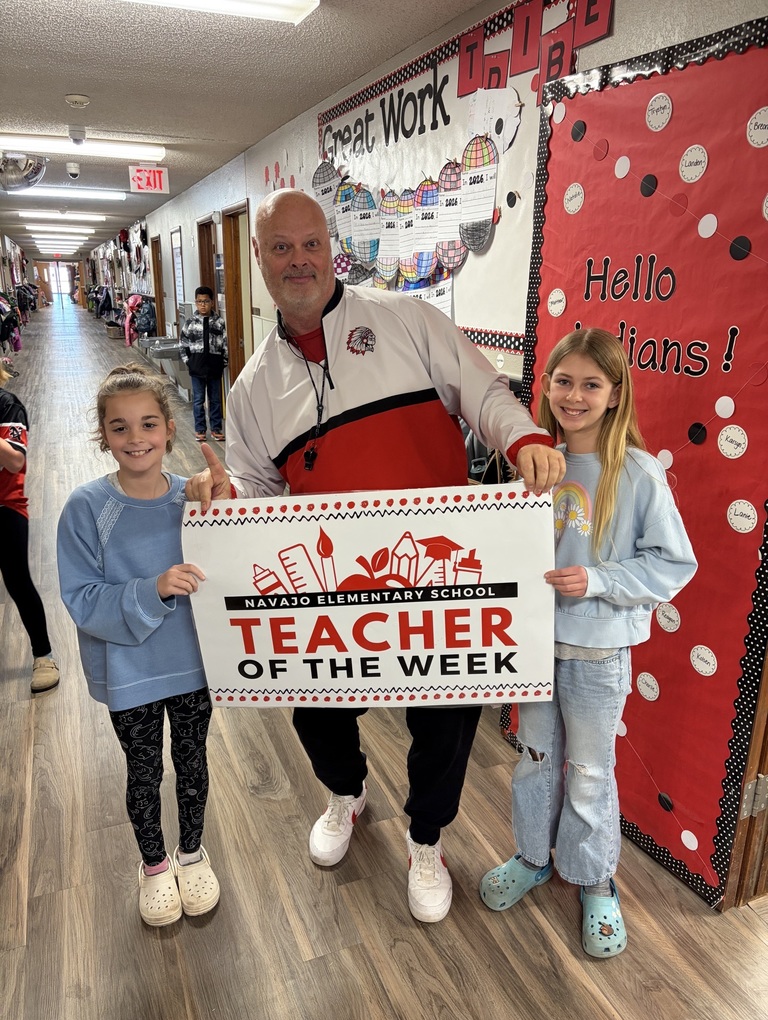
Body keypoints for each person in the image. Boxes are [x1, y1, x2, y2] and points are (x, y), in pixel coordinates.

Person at [186, 188, 565, 924]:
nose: (299, 259)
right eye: (281, 247)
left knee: (448, 714)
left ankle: (427, 837)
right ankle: (347, 792)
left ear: (333, 248)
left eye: (310, 243)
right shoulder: (252, 389)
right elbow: (257, 500)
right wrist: (222, 505)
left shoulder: (407, 319)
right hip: (331, 584)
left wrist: (521, 438)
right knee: (316, 707)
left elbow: (481, 391)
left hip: (438, 569)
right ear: (259, 260)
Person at [479, 327, 697, 957]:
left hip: (596, 654)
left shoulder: (637, 472)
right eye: (563, 381)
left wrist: (598, 578)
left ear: (614, 391)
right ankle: (531, 855)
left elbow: (673, 563)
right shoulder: (530, 464)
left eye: (591, 384)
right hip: (529, 647)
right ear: (545, 386)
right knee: (536, 757)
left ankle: (594, 877)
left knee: (591, 770)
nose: (574, 395)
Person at [57, 364, 220, 928]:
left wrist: (221, 497)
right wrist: (151, 590)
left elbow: (236, 556)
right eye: (120, 427)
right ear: (103, 435)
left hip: (196, 666)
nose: (136, 438)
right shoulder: (86, 507)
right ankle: (154, 865)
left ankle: (193, 851)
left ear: (168, 429)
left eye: (148, 423)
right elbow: (81, 597)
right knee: (144, 770)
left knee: (193, 761)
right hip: (130, 673)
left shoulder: (192, 499)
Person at [0, 364, 60, 693]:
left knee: (18, 581)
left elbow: (15, 461)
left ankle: (44, 655)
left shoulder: (7, 404)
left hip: (5, 508)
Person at [179, 286, 228, 443]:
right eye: (199, 302)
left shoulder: (219, 323)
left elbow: (225, 344)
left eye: (206, 301)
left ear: (212, 302)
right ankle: (200, 429)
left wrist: (223, 362)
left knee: (215, 399)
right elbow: (183, 344)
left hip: (214, 366)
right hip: (197, 367)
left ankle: (216, 429)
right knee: (199, 400)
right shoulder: (190, 323)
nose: (203, 305)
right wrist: (189, 362)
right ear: (195, 303)